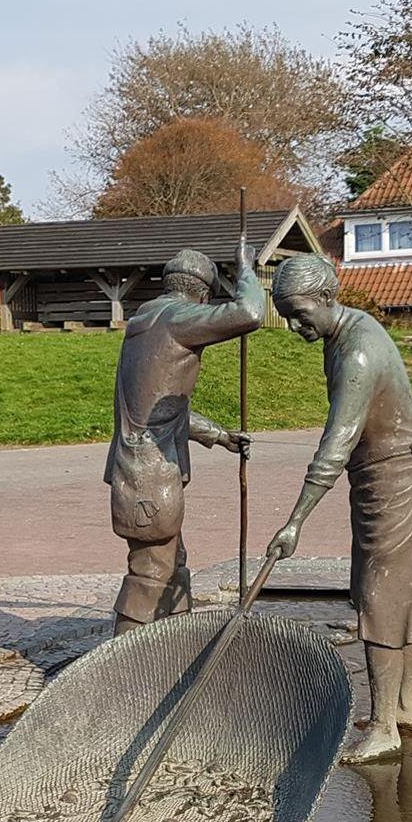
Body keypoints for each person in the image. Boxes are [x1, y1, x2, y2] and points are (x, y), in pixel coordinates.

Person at [265, 254, 412, 763]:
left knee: (381, 597)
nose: (296, 327)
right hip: (396, 475)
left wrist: (295, 521)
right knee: (405, 591)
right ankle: (407, 705)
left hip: (394, 482)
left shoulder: (358, 352)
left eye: (301, 315)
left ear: (326, 298)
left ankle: (385, 726)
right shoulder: (347, 331)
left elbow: (335, 446)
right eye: (287, 317)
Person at [105, 241, 262, 634]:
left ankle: (175, 647)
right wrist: (246, 269)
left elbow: (162, 409)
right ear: (203, 296)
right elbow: (250, 313)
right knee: (150, 572)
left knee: (172, 567)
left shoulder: (147, 321)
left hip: (142, 470)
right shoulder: (178, 318)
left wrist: (220, 436)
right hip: (147, 477)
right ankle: (119, 660)